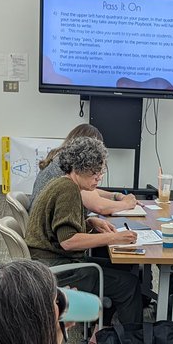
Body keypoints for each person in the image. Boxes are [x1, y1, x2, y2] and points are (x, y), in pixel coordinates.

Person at [24, 135, 143, 326]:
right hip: (56, 269)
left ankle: (101, 335)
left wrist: (90, 222)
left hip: (46, 263)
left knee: (121, 268)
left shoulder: (63, 183)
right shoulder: (68, 191)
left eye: (100, 171)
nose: (99, 177)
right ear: (78, 168)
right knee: (128, 285)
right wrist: (113, 237)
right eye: (94, 172)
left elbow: (58, 227)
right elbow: (68, 241)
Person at [30, 123, 139, 216]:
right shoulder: (68, 169)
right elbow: (99, 206)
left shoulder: (59, 159)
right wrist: (126, 204)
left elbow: (88, 190)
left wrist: (115, 195)